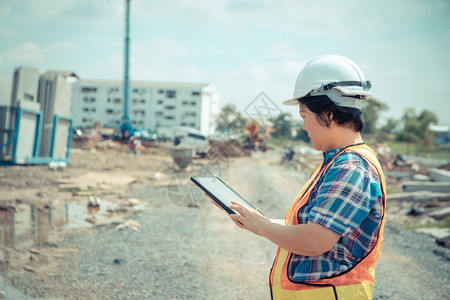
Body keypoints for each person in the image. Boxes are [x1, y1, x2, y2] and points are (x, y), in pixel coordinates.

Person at [218, 55, 386, 299]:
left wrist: (262, 227)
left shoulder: (351, 167)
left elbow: (314, 241)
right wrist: (253, 220)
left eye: (304, 116)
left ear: (327, 113)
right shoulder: (338, 161)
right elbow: (312, 228)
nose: (304, 127)